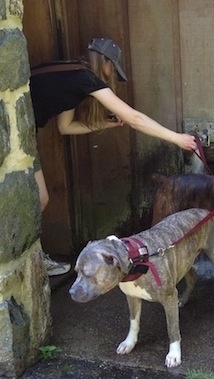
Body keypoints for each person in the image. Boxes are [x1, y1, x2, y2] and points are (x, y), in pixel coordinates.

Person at [30, 37, 197, 276]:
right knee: (40, 198)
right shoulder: (85, 78)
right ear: (105, 61)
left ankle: (33, 258)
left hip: (23, 135)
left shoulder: (71, 74)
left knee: (40, 198)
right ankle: (31, 260)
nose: (110, 76)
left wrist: (107, 125)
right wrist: (177, 139)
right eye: (112, 69)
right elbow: (135, 118)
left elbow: (65, 127)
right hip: (14, 134)